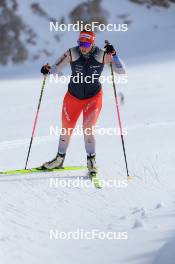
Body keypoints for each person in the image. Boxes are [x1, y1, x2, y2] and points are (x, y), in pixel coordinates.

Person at [40, 30, 125, 174]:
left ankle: (91, 161)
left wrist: (115, 55)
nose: (82, 47)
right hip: (72, 97)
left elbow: (121, 71)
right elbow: (55, 69)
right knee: (66, 128)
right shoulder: (72, 52)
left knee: (88, 128)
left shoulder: (101, 54)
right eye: (80, 43)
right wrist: (48, 70)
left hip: (93, 98)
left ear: (92, 43)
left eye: (86, 43)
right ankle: (59, 159)